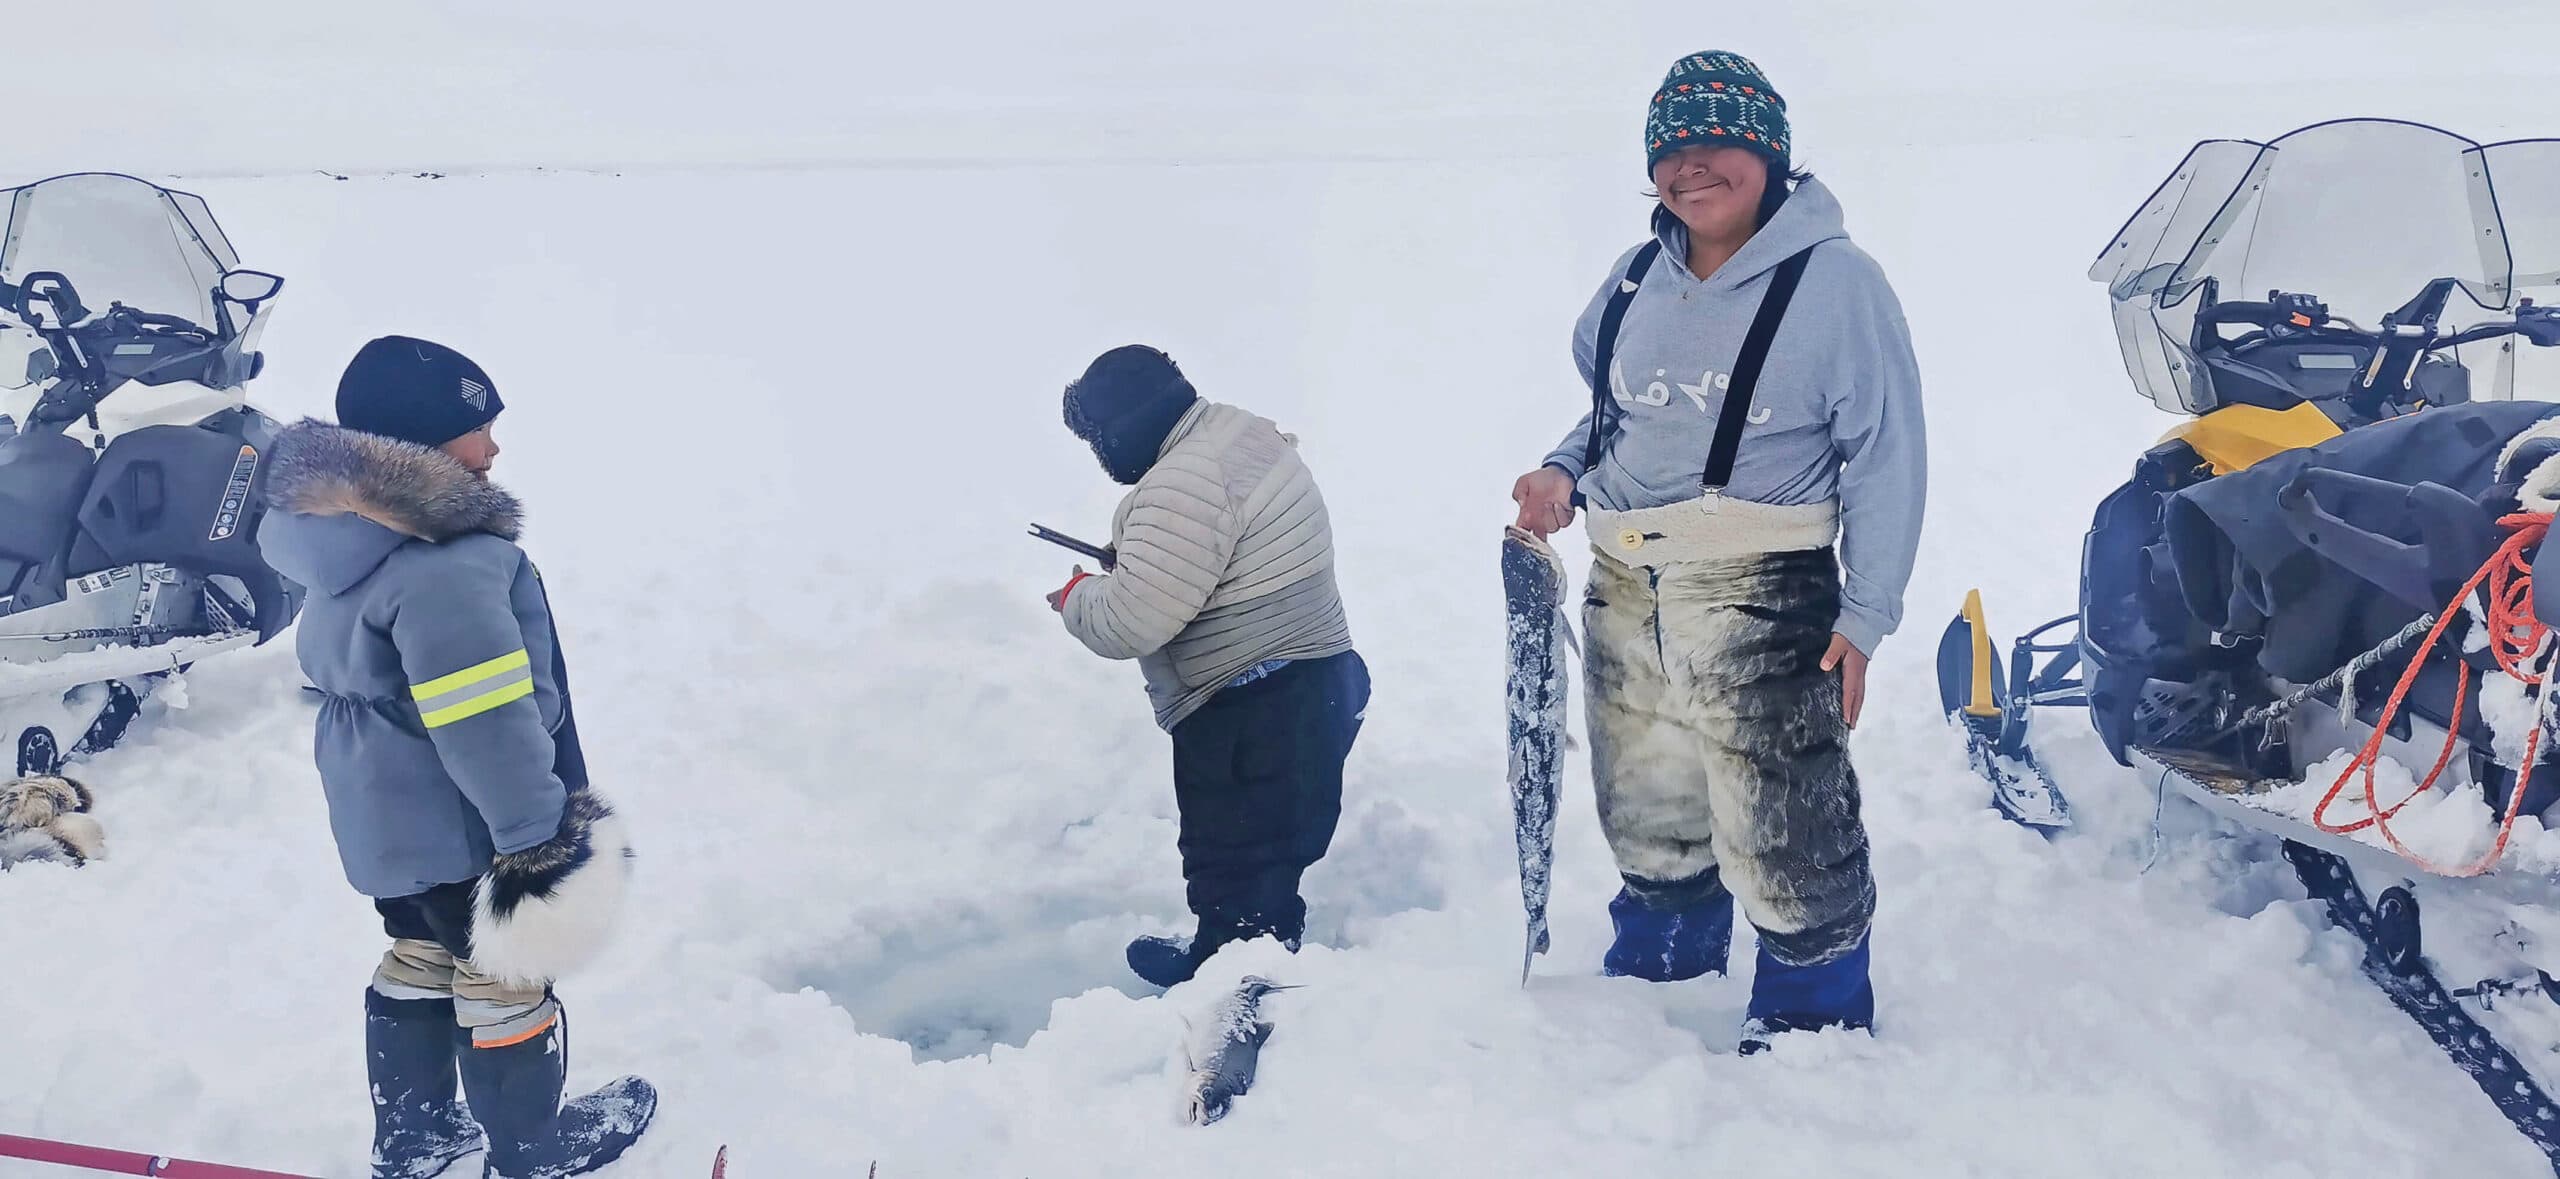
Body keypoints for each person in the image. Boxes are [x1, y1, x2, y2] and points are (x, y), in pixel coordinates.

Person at [1508, 51, 1926, 1053]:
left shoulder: (1838, 284)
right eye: (1671, 152)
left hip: (1759, 585)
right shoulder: (1636, 274)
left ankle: (1810, 1016)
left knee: (1784, 816)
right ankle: (1662, 964)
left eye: (1715, 146)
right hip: (1621, 579)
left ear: (1768, 154)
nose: (1690, 171)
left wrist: (1866, 616)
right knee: (1645, 796)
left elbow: (1886, 453)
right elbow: (1614, 414)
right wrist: (1563, 472)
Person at [257, 336, 655, 1178]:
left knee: (423, 950)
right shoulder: (447, 565)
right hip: (467, 822)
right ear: (424, 449)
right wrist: (533, 836)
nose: (495, 449)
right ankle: (530, 1146)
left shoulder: (340, 541)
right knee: (502, 972)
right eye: (479, 431)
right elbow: (484, 718)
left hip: (387, 823)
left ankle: (416, 1135)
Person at [1048, 345, 1371, 989]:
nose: (1100, 456)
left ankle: (1238, 981)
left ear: (1123, 428)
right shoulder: (1233, 433)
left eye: (1098, 440)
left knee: (1232, 856)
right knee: (1273, 853)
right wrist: (1145, 558)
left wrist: (1078, 596)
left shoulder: (1181, 484)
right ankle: (1256, 947)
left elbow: (1131, 621)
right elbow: (1214, 546)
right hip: (1314, 680)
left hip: (1253, 710)